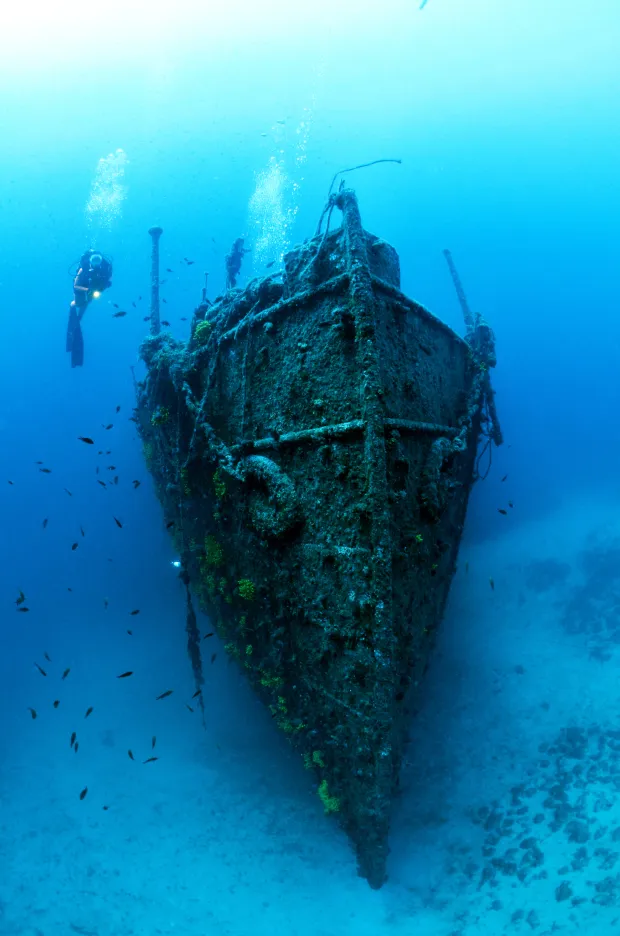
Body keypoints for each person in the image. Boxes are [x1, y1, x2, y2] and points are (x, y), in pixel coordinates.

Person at [66, 249, 113, 367]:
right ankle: (72, 307)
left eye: (98, 261)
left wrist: (100, 289)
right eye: (94, 261)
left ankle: (78, 320)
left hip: (91, 292)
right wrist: (87, 290)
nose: (96, 264)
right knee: (78, 303)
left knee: (86, 304)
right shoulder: (83, 269)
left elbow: (106, 283)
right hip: (81, 291)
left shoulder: (104, 270)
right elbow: (76, 286)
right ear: (90, 261)